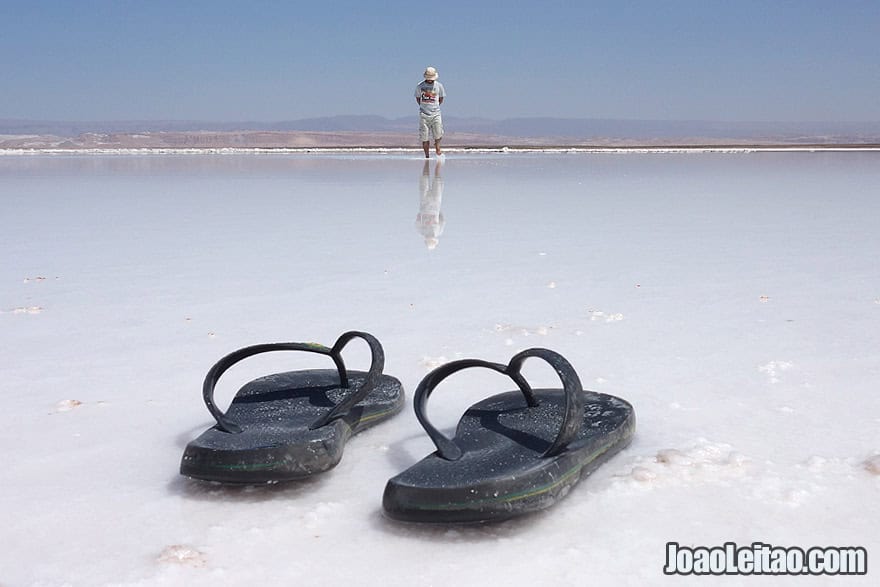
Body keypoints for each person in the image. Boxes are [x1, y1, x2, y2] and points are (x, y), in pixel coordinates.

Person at [415, 66, 445, 158]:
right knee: (424, 136)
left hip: (436, 113)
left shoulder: (439, 86)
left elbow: (441, 98)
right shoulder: (420, 86)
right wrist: (424, 107)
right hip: (424, 114)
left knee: (438, 132)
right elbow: (418, 98)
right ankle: (427, 155)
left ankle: (437, 148)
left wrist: (434, 107)